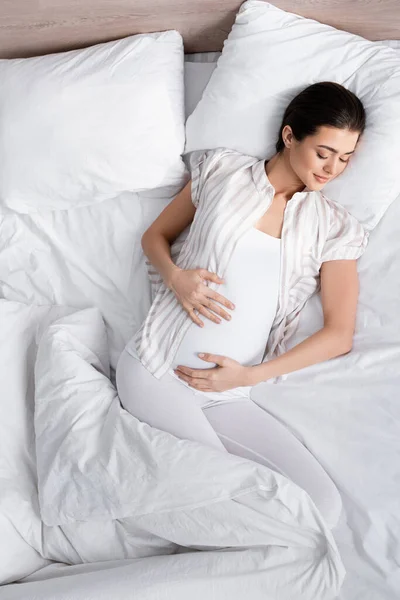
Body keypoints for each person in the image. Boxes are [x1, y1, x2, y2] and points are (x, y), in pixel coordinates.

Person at [116, 81, 369, 530]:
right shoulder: (222, 172)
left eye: (345, 159)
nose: (332, 168)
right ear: (290, 136)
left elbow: (339, 335)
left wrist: (249, 377)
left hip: (229, 395)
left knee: (322, 509)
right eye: (324, 152)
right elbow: (153, 237)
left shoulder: (334, 226)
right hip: (157, 369)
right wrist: (177, 278)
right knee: (221, 495)